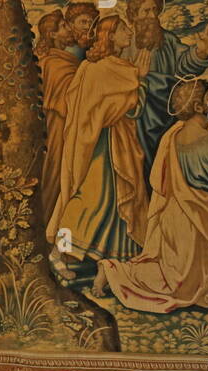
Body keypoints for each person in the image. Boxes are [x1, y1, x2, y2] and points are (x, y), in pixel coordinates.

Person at [94, 79, 208, 311]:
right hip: (201, 223)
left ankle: (115, 270)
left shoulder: (173, 137)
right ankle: (114, 270)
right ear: (197, 107)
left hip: (175, 219)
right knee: (185, 283)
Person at [47, 15, 147, 263]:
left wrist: (137, 85)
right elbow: (98, 111)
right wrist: (137, 83)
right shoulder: (95, 69)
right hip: (98, 146)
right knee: (89, 201)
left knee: (115, 204)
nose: (130, 32)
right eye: (124, 28)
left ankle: (111, 262)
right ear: (110, 35)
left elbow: (133, 109)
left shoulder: (123, 66)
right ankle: (58, 253)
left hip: (119, 143)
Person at [122, 0, 208, 173]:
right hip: (135, 117)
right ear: (134, 15)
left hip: (166, 113)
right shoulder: (125, 43)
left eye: (154, 10)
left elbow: (184, 64)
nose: (152, 16)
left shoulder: (167, 40)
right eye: (146, 11)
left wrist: (201, 53)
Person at [36, 10, 80, 222]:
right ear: (52, 35)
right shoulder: (53, 63)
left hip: (65, 124)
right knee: (55, 173)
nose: (69, 29)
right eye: (63, 26)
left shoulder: (64, 60)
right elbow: (66, 98)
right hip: (57, 127)